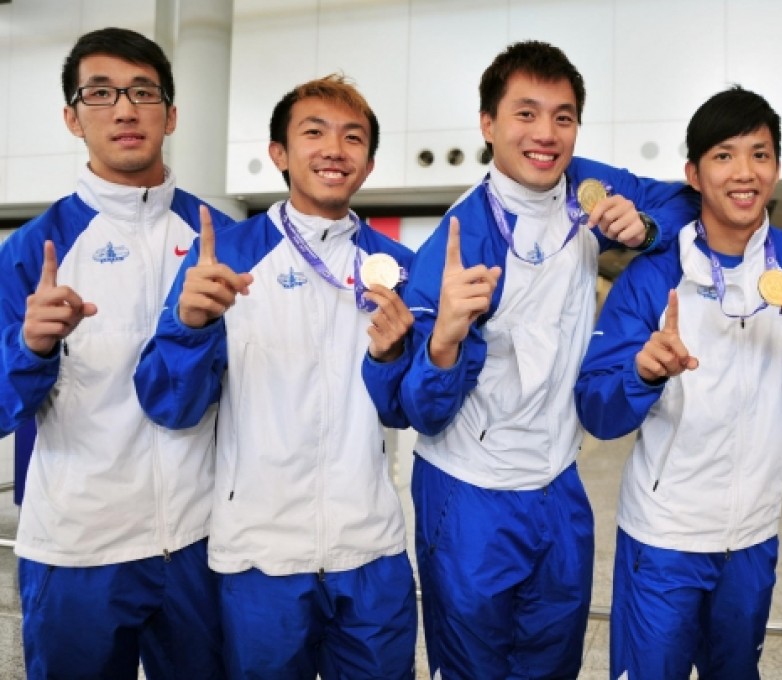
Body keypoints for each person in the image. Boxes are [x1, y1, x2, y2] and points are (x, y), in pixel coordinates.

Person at [396, 40, 699, 678]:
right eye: (526, 114)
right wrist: (443, 339)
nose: (546, 133)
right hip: (469, 490)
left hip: (559, 482)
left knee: (553, 661)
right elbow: (418, 408)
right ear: (489, 124)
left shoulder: (586, 187)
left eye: (563, 116)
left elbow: (683, 200)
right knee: (476, 667)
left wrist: (641, 227)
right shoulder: (455, 240)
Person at [133, 74, 417, 679]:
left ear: (368, 163)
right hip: (260, 554)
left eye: (353, 137)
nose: (335, 149)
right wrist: (190, 326)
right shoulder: (225, 257)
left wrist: (394, 357)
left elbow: (407, 410)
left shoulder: (396, 269)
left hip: (370, 548)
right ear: (280, 155)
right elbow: (169, 405)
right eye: (313, 132)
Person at [573, 86, 782, 678]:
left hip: (753, 537)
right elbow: (596, 408)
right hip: (663, 536)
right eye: (724, 155)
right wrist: (642, 371)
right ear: (693, 173)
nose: (745, 172)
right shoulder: (651, 276)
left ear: (776, 166)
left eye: (760, 153)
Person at [0, 27, 232, 679]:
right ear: (72, 118)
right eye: (100, 93)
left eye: (142, 92)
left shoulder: (221, 241)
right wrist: (31, 346)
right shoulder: (31, 252)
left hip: (199, 539)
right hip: (77, 546)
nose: (125, 109)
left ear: (172, 113)